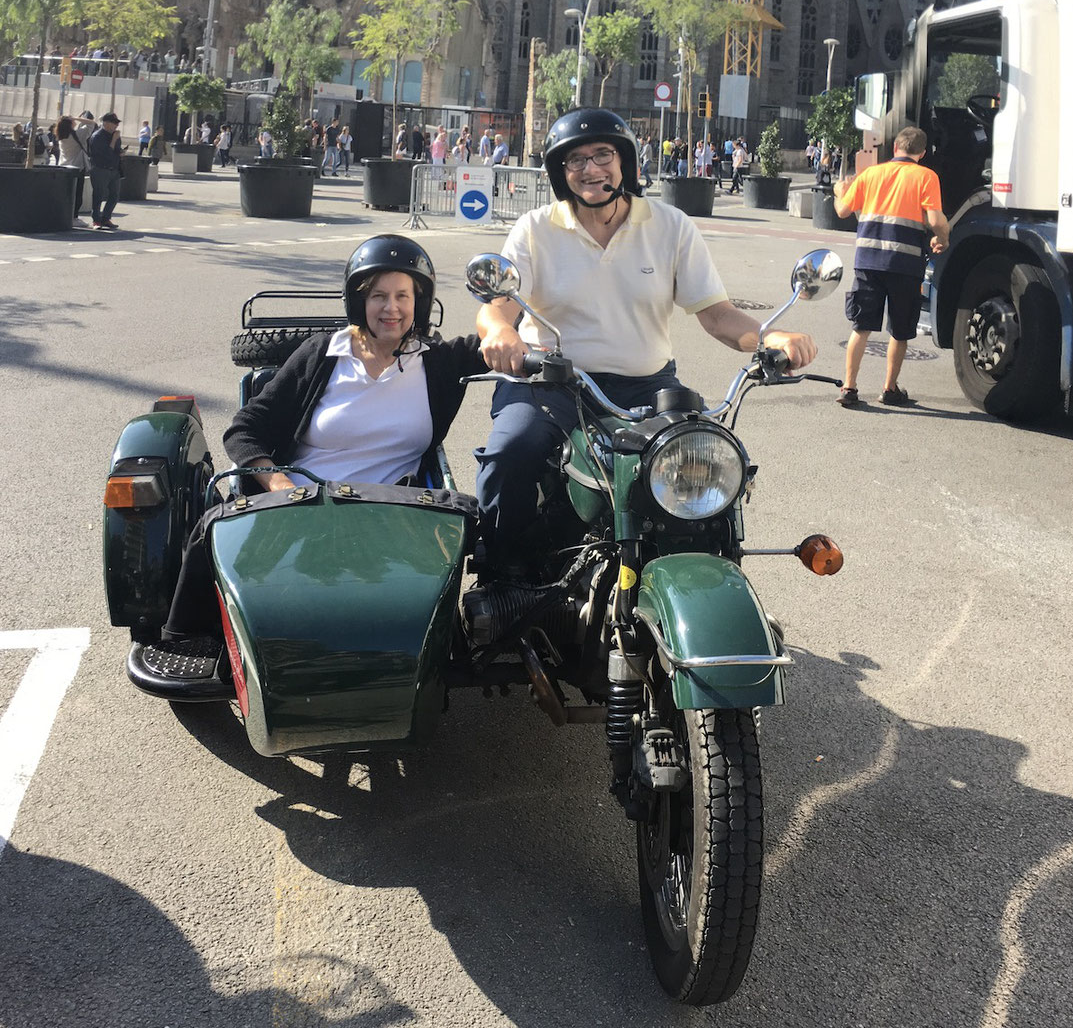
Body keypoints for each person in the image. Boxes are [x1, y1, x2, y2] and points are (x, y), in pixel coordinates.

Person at [141, 236, 521, 682]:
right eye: (378, 295)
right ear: (358, 300)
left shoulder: (439, 362)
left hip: (389, 509)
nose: (391, 308)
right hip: (300, 500)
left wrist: (506, 330)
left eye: (403, 296)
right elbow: (244, 430)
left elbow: (503, 340)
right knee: (213, 531)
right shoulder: (322, 353)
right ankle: (187, 637)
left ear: (421, 300)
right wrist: (280, 483)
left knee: (471, 517)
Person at [474, 108, 816, 569]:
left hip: (645, 386)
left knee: (701, 467)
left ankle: (705, 573)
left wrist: (771, 337)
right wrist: (499, 332)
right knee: (510, 453)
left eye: (602, 155)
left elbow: (716, 314)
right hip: (550, 382)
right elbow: (498, 308)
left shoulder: (670, 225)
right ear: (560, 172)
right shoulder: (535, 229)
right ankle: (502, 577)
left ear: (626, 163)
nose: (591, 169)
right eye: (575, 160)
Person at [834, 125, 950, 408]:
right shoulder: (926, 176)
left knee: (861, 326)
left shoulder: (870, 174)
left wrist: (839, 191)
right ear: (921, 153)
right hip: (905, 265)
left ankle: (849, 387)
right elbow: (935, 220)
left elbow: (843, 211)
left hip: (868, 262)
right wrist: (942, 238)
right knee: (900, 330)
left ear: (895, 148)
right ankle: (889, 389)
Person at [87, 112, 123, 230]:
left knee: (114, 195)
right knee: (98, 195)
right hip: (100, 168)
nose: (116, 126)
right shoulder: (97, 136)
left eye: (117, 123)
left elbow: (115, 151)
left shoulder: (115, 136)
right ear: (106, 123)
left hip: (113, 169)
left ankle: (106, 218)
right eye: (114, 123)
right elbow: (105, 154)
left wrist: (121, 151)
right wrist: (113, 140)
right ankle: (96, 220)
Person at [56, 114, 88, 215]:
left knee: (66, 193)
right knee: (77, 193)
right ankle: (74, 216)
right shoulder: (77, 134)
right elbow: (92, 124)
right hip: (77, 167)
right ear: (70, 123)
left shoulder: (61, 135)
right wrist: (77, 118)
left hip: (64, 166)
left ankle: (63, 214)